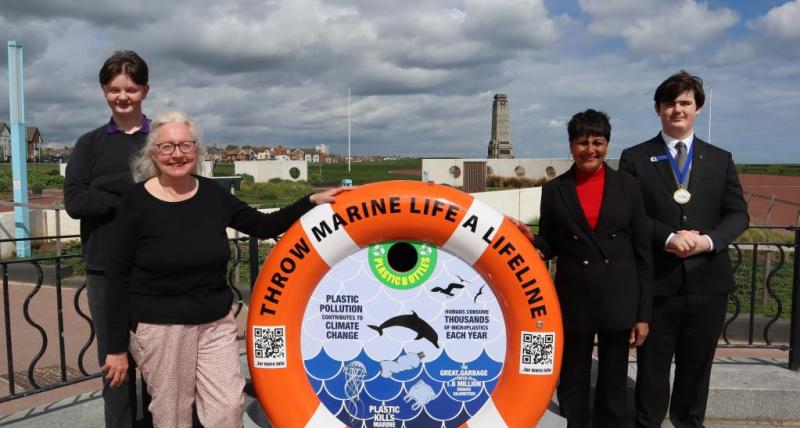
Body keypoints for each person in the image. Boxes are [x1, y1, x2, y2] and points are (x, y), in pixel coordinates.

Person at [102, 110, 347, 427]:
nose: (177, 154)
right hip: (161, 328)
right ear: (153, 153)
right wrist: (116, 348)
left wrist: (310, 201)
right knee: (172, 415)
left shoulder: (213, 194)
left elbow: (263, 225)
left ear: (197, 150)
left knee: (228, 408)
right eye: (167, 146)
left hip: (214, 322)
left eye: (185, 145)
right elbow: (116, 277)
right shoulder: (135, 202)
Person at [619, 71, 748, 428]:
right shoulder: (635, 158)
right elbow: (628, 214)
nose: (677, 109)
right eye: (669, 103)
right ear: (658, 109)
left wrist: (707, 241)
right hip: (657, 284)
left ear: (697, 108)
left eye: (685, 102)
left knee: (696, 371)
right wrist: (667, 237)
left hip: (708, 284)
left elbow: (738, 214)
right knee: (651, 371)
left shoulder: (720, 159)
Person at [516, 109, 652, 427]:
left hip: (619, 297)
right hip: (574, 297)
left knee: (614, 381)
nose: (590, 150)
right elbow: (550, 243)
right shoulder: (554, 190)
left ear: (607, 145)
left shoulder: (629, 186)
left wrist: (643, 315)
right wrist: (531, 239)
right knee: (572, 378)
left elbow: (643, 253)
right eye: (582, 142)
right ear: (571, 146)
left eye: (597, 142)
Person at [64, 50, 152, 428]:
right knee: (115, 365)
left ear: (145, 90)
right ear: (104, 91)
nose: (122, 97)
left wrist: (104, 190)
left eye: (131, 89)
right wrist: (131, 193)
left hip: (155, 266)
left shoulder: (161, 139)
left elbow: (177, 192)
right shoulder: (89, 144)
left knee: (160, 362)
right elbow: (75, 201)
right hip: (103, 267)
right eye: (115, 89)